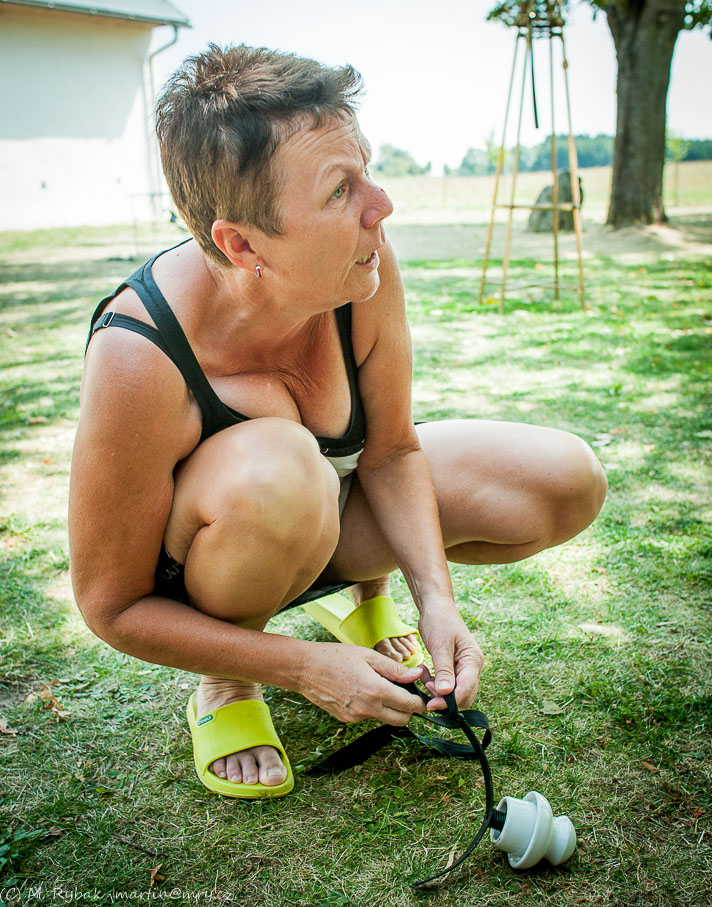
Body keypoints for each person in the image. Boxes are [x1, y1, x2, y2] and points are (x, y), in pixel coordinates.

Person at [69, 44, 607, 799]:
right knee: (280, 469)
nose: (380, 206)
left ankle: (361, 599)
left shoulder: (363, 261)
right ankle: (228, 679)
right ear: (241, 243)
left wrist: (437, 601)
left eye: (367, 170)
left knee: (566, 480)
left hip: (326, 522)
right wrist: (302, 668)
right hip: (220, 559)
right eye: (339, 191)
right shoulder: (138, 353)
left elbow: (388, 452)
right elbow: (112, 605)